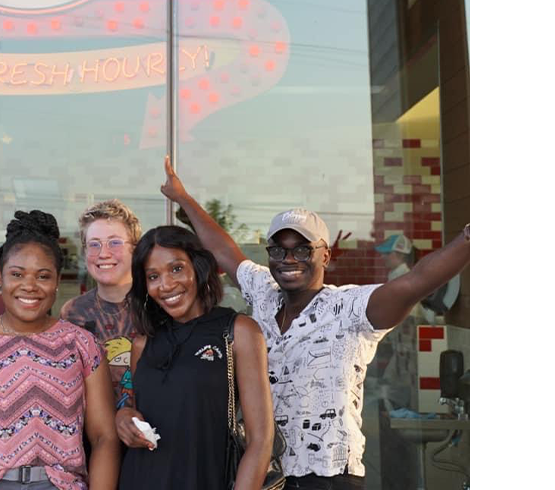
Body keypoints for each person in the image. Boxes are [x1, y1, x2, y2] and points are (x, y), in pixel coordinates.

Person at [161, 156, 471, 490]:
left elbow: (416, 282)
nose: (289, 259)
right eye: (278, 250)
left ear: (325, 255)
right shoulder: (264, 292)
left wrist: (469, 239)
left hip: (327, 476)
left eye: (302, 250)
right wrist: (183, 197)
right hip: (266, 472)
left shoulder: (349, 308)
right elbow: (222, 249)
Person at [0, 210, 121, 490]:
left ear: (57, 281)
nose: (29, 286)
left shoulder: (81, 344)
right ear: (0, 276)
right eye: (17, 274)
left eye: (43, 276)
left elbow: (105, 437)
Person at [115, 225, 274, 490]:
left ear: (198, 268)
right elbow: (132, 406)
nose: (166, 285)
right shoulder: (142, 343)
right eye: (153, 276)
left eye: (177, 269)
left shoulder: (238, 332)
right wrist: (123, 418)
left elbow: (261, 441)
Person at [59, 200, 142, 407]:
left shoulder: (156, 306)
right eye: (94, 244)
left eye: (115, 242)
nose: (104, 253)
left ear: (135, 248)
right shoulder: (73, 313)